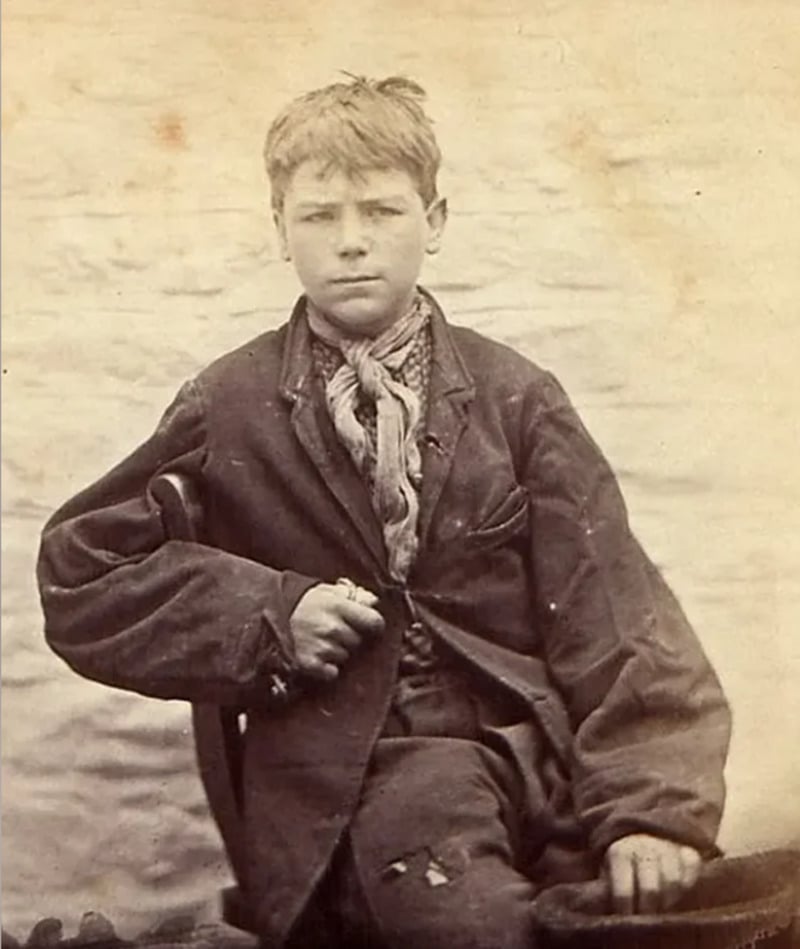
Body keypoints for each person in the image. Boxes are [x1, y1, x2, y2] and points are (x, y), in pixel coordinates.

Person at [37, 76, 731, 949]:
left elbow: (619, 613)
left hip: (542, 755)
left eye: (381, 211)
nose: (351, 242)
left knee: (695, 912)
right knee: (474, 926)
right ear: (278, 229)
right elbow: (81, 570)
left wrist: (649, 808)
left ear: (434, 220)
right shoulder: (230, 402)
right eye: (318, 216)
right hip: (365, 773)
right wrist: (270, 613)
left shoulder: (516, 397)